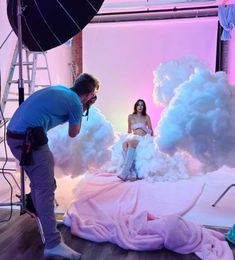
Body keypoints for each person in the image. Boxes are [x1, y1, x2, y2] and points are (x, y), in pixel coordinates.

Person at [6, 73, 99, 259]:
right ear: (89, 95)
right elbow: (74, 133)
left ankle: (34, 202)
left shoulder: (62, 90)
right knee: (45, 188)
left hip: (17, 134)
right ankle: (53, 243)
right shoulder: (75, 102)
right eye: (93, 95)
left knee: (46, 180)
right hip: (27, 139)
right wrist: (82, 108)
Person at [117, 99, 153, 181]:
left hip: (142, 138)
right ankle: (132, 171)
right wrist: (125, 138)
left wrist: (142, 127)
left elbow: (151, 132)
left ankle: (124, 173)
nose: (140, 107)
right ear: (135, 106)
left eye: (142, 105)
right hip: (134, 137)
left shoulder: (146, 117)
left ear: (144, 107)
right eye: (138, 105)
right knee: (124, 144)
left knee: (131, 143)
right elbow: (129, 131)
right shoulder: (130, 117)